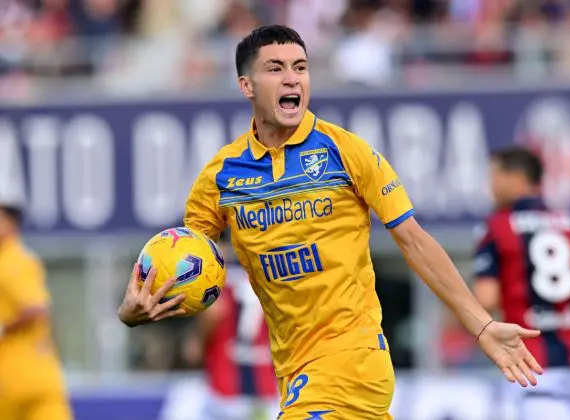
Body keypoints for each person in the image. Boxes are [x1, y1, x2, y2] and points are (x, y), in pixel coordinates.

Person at [118, 25, 543, 419]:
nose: (292, 79)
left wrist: (482, 325)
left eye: (300, 68)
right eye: (275, 68)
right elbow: (187, 261)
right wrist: (133, 311)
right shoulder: (221, 177)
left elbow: (414, 241)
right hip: (292, 370)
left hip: (353, 358)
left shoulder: (347, 153)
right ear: (246, 86)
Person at [473, 146, 570, 420]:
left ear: (515, 178)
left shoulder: (497, 227)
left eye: (494, 176)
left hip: (529, 366)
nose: (490, 186)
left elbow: (486, 298)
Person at [0, 203, 73, 420]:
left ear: (11, 224)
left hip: (16, 375)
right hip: (40, 371)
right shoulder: (22, 258)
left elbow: (35, 309)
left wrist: (4, 328)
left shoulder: (10, 260)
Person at [183, 259, 278, 420]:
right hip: (268, 393)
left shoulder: (216, 284)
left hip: (226, 393)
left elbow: (192, 353)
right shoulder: (275, 282)